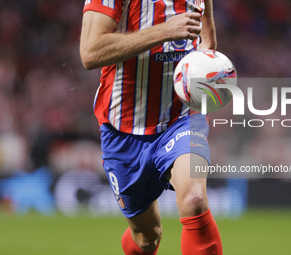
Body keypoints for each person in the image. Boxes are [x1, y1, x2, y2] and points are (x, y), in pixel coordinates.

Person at [80, 0, 223, 254]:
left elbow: (207, 43)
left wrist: (210, 56)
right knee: (147, 237)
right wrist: (164, 31)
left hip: (181, 117)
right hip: (123, 130)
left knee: (194, 200)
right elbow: (91, 52)